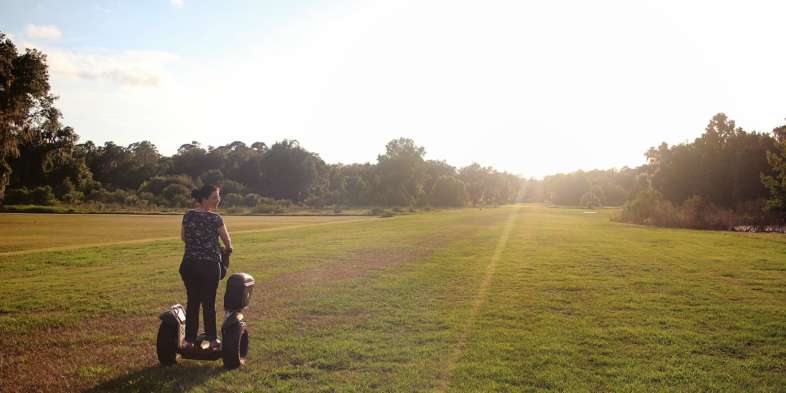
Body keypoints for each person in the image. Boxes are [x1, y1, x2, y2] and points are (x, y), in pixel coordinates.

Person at [179, 184, 232, 351]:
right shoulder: (215, 218)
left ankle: (188, 341)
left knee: (193, 302)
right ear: (204, 199)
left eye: (218, 197)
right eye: (214, 197)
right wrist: (226, 250)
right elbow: (227, 242)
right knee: (208, 303)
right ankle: (212, 341)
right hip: (209, 266)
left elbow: (183, 238)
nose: (218, 200)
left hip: (189, 265)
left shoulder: (188, 215)